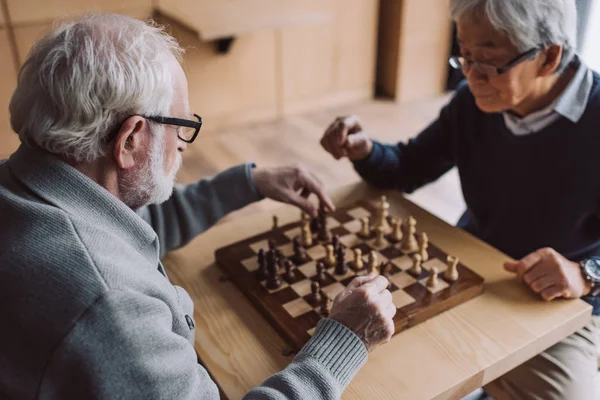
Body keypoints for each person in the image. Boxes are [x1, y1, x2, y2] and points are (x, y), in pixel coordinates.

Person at [0, 14, 397, 399]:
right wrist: (342, 342)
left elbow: (124, 229)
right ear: (130, 140)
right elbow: (108, 272)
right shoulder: (113, 308)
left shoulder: (27, 187)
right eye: (181, 127)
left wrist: (248, 182)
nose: (184, 144)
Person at [321, 0, 600, 399]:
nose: (470, 76)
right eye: (463, 57)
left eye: (486, 63)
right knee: (382, 378)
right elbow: (406, 167)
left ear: (549, 56)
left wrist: (587, 274)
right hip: (467, 266)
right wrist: (365, 151)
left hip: (557, 301)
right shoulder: (472, 102)